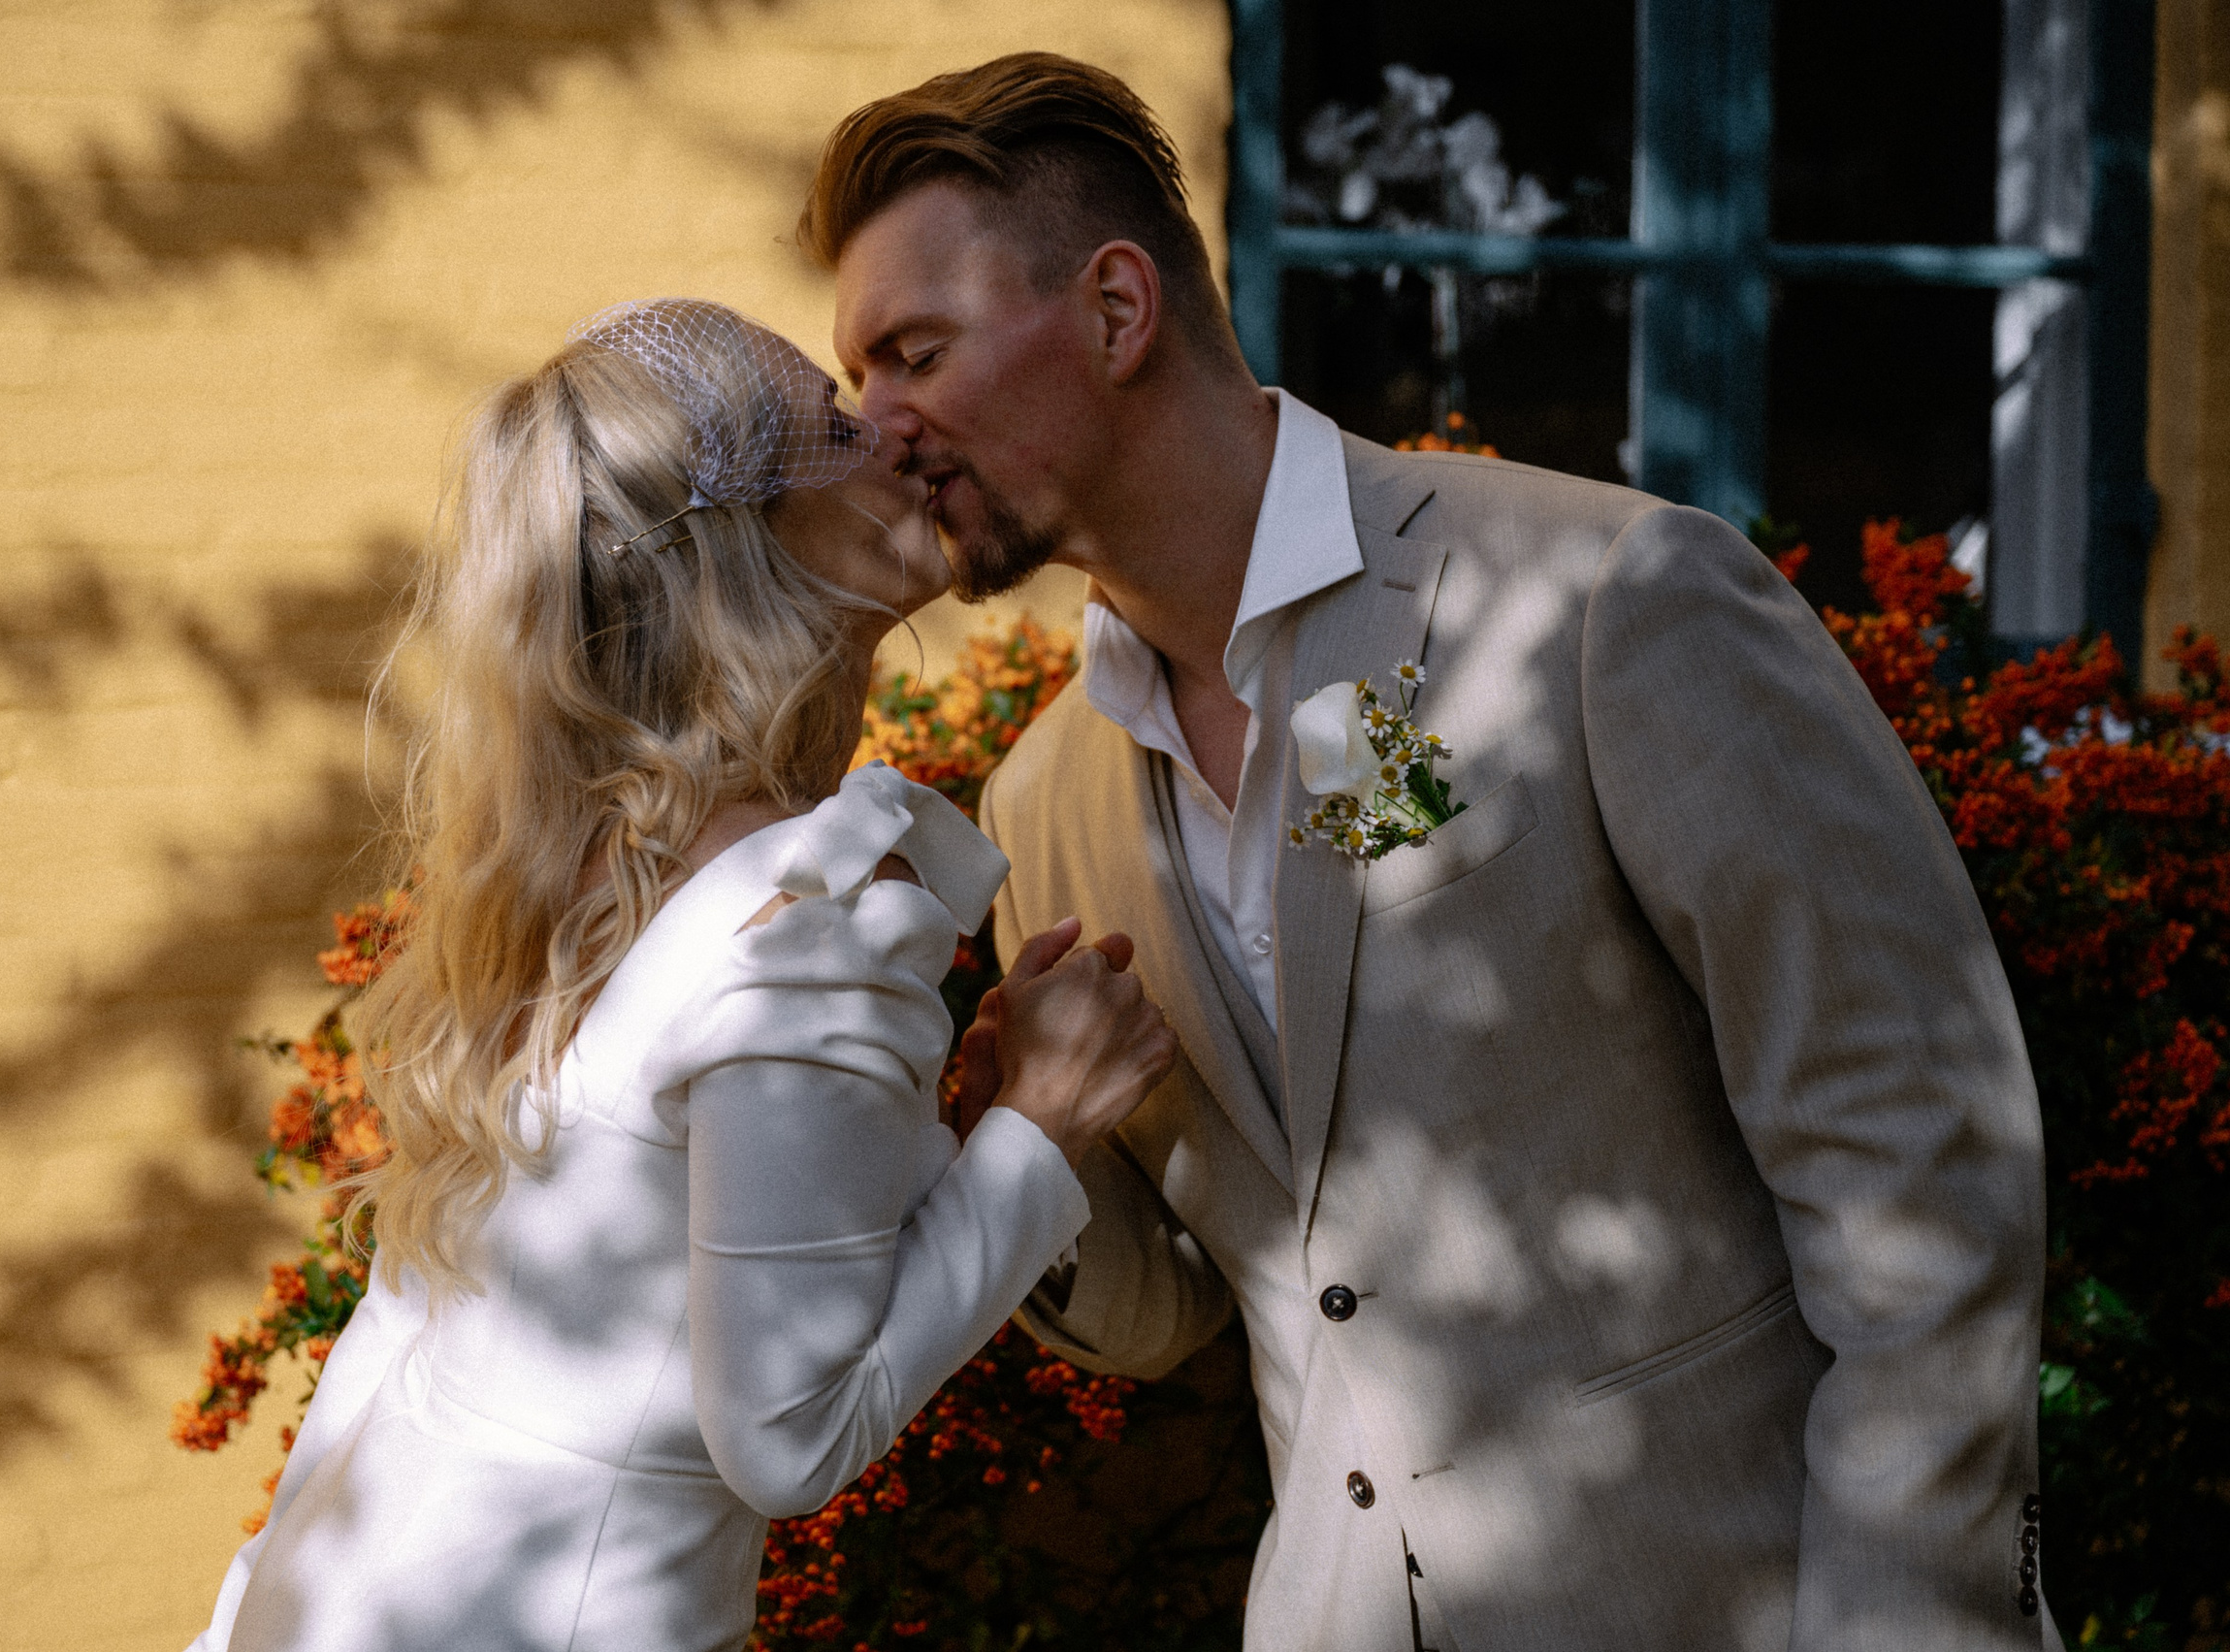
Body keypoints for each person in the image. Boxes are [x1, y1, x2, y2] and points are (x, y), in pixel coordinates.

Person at [808, 53, 2056, 1652]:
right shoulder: (1042, 804)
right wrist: (988, 1128)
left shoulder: (1611, 601)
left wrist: (1910, 1625)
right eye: (857, 383)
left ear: (1118, 312)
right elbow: (1199, 1301)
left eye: (914, 354)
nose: (877, 430)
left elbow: (1914, 1148)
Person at [183, 298, 1178, 1652]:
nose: (890, 429)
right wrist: (1044, 1124)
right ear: (744, 541)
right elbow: (791, 1433)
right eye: (833, 425)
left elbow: (468, 1314)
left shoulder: (574, 866)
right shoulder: (807, 912)